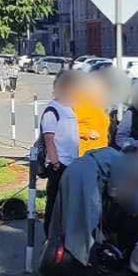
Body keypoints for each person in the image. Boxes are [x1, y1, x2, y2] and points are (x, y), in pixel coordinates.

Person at [41, 70, 81, 234]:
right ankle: (49, 235)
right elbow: (49, 140)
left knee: (67, 205)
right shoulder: (52, 110)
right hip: (59, 165)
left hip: (71, 163)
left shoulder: (68, 108)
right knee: (54, 204)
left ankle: (62, 235)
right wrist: (56, 163)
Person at [74, 71, 111, 157]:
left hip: (101, 152)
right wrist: (87, 133)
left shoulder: (99, 103)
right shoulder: (80, 102)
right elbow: (67, 127)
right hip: (85, 154)